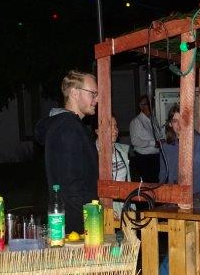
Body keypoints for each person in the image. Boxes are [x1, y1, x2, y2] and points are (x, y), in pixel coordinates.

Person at [34, 70, 99, 234]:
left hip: (73, 220)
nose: (96, 99)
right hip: (76, 226)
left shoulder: (69, 125)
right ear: (75, 93)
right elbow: (70, 184)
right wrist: (84, 225)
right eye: (92, 93)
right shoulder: (68, 128)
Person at [158, 104, 200, 194]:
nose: (179, 125)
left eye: (182, 120)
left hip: (198, 195)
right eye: (175, 121)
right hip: (174, 195)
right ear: (170, 124)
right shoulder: (166, 147)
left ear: (188, 121)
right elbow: (163, 175)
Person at [96, 114, 130, 219]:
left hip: (124, 206)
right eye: (110, 126)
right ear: (97, 131)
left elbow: (127, 181)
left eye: (115, 126)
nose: (115, 130)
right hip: (103, 207)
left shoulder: (122, 151)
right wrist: (103, 208)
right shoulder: (92, 154)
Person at [129, 95, 162, 183]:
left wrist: (162, 140)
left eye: (151, 104)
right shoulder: (136, 121)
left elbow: (159, 134)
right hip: (144, 160)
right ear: (141, 106)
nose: (151, 106)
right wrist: (153, 143)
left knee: (157, 182)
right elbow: (134, 141)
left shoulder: (153, 119)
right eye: (148, 104)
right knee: (148, 184)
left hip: (156, 156)